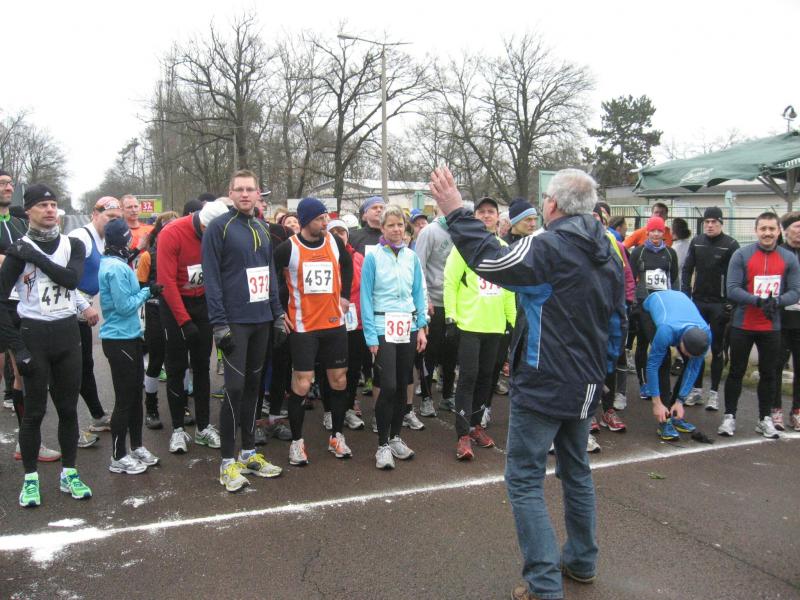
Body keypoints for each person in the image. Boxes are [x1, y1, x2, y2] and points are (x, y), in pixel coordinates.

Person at [429, 167, 625, 600]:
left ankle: (543, 583)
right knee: (576, 470)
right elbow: (618, 320)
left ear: (552, 204)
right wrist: (603, 372)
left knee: (524, 479)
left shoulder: (550, 246)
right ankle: (582, 561)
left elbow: (491, 261)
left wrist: (456, 211)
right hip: (586, 381)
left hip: (545, 379)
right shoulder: (609, 250)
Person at [0, 184, 93, 507]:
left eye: (53, 204)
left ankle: (70, 472)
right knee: (34, 412)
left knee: (68, 409)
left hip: (67, 333)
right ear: (28, 211)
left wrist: (36, 257)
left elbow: (70, 280)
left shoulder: (72, 245)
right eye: (42, 205)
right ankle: (30, 479)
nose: (50, 210)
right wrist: (17, 348)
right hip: (34, 335)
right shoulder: (18, 251)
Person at [202, 169, 283, 492]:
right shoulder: (219, 228)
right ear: (231, 193)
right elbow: (211, 278)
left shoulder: (261, 227)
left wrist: (278, 314)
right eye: (240, 189)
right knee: (234, 389)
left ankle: (248, 452)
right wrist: (219, 323)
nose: (246, 194)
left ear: (258, 193)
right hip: (234, 321)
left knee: (253, 388)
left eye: (250, 189)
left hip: (261, 319)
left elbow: (270, 273)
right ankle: (226, 462)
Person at [273, 197, 353, 465]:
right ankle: (297, 442)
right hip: (304, 326)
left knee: (338, 380)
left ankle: (337, 436)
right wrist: (278, 310)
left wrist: (345, 296)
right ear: (307, 221)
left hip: (334, 324)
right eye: (320, 218)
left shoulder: (334, 241)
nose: (325, 222)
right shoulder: (289, 248)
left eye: (325, 217)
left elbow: (347, 265)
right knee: (303, 382)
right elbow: (271, 275)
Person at [443, 196, 515, 459]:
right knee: (469, 377)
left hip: (495, 326)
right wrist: (450, 317)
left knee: (487, 379)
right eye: (481, 212)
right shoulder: (463, 247)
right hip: (469, 325)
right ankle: (462, 435)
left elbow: (509, 288)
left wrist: (512, 321)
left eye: (491, 212)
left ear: (498, 217)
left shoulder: (503, 247)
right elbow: (450, 282)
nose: (486, 215)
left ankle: (475, 426)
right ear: (474, 218)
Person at [157, 199, 229, 453]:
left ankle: (203, 427)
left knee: (202, 366)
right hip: (175, 304)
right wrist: (184, 321)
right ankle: (178, 429)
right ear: (202, 224)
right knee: (176, 368)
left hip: (203, 303)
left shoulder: (220, 231)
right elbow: (166, 281)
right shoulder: (172, 232)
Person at [720, 212, 800, 439]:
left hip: (771, 327)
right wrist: (757, 301)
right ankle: (729, 416)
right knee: (736, 371)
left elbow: (795, 291)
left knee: (769, 373)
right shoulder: (741, 254)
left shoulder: (788, 258)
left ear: (778, 231)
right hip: (742, 324)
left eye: (771, 229)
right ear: (756, 231)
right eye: (763, 229)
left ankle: (764, 418)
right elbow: (732, 288)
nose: (767, 233)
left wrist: (776, 302)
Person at [360, 205, 427, 469]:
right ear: (382, 228)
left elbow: (418, 293)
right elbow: (365, 298)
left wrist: (421, 326)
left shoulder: (411, 257)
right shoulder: (373, 257)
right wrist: (370, 335)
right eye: (391, 225)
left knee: (402, 384)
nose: (397, 230)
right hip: (382, 325)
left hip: (407, 326)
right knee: (387, 385)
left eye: (400, 225)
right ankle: (382, 445)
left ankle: (396, 437)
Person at [98, 219, 162, 474]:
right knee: (125, 399)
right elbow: (125, 307)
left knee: (135, 396)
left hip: (131, 336)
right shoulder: (115, 268)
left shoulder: (117, 261)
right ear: (123, 240)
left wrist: (144, 288)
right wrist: (148, 291)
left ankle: (136, 446)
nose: (131, 242)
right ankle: (118, 455)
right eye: (128, 239)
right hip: (118, 339)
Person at [69, 197, 124, 445]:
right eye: (110, 217)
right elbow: (60, 277)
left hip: (82, 309)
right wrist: (83, 305)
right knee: (70, 369)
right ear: (95, 214)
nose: (113, 222)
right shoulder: (80, 237)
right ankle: (70, 430)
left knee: (85, 365)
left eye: (117, 218)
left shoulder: (105, 239)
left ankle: (98, 416)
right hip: (67, 309)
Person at [681, 206, 740, 410]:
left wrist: (730, 302)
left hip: (719, 304)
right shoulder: (697, 242)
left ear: (721, 223)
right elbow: (687, 269)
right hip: (699, 302)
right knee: (696, 347)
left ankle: (714, 393)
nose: (710, 225)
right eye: (707, 222)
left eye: (714, 222)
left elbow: (736, 275)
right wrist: (686, 293)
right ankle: (696, 390)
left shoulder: (731, 244)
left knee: (717, 349)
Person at [638, 290, 710, 440]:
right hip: (649, 309)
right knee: (663, 360)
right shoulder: (666, 330)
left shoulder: (706, 334)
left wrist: (680, 401)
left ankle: (674, 411)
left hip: (678, 306)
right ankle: (664, 420)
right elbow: (652, 366)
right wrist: (656, 402)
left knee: (692, 363)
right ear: (680, 341)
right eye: (687, 352)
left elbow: (693, 368)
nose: (688, 356)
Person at [136, 211, 179, 429]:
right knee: (156, 359)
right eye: (167, 226)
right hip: (155, 312)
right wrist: (153, 288)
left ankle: (182, 405)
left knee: (180, 361)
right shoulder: (147, 256)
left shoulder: (182, 252)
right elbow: (139, 286)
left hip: (178, 311)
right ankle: (151, 407)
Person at [629, 216, 679, 398]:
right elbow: (630, 279)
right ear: (647, 232)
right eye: (653, 231)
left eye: (659, 231)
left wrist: (676, 302)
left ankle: (662, 384)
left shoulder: (670, 254)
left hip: (663, 306)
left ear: (663, 233)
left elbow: (674, 279)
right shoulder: (639, 252)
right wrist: (633, 303)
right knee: (643, 343)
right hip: (644, 305)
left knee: (662, 345)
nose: (656, 234)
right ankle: (644, 383)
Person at [414, 206, 457, 415]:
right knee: (429, 353)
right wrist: (426, 299)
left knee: (452, 353)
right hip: (434, 302)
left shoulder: (461, 230)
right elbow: (419, 266)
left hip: (455, 303)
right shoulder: (429, 232)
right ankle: (426, 398)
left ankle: (448, 395)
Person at [326, 219, 366, 431]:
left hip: (355, 321)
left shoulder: (358, 258)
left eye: (341, 231)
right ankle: (329, 411)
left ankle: (348, 407)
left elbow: (366, 287)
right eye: (333, 231)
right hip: (328, 321)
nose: (338, 235)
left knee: (353, 368)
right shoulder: (323, 255)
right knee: (330, 368)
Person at [774, 211, 800, 431]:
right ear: (786, 230)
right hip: (781, 320)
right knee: (775, 367)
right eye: (797, 227)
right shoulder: (778, 253)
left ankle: (797, 410)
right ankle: (776, 409)